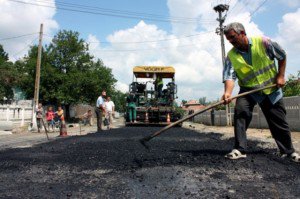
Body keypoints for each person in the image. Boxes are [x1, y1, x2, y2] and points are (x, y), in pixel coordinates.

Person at [222, 22, 299, 162]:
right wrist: (228, 92)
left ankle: (288, 151)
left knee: (278, 120)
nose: (231, 41)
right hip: (248, 90)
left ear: (243, 33)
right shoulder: (231, 55)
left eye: (233, 37)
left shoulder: (263, 42)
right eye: (228, 39)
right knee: (241, 112)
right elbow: (229, 76)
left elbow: (282, 55)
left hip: (270, 89)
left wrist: (280, 76)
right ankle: (239, 149)